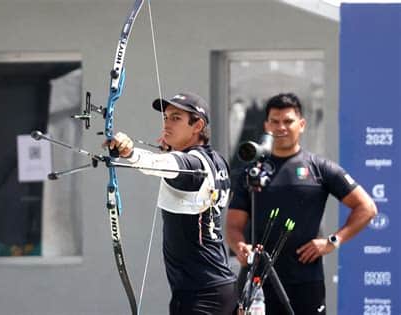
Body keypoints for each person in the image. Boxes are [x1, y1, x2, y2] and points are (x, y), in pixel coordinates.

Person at [225, 93, 377, 315]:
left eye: (288, 121)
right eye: (275, 122)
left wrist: (332, 241)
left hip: (305, 282)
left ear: (302, 124)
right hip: (257, 282)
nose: (281, 127)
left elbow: (367, 208)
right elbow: (233, 225)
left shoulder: (319, 168)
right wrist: (240, 247)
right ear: (266, 125)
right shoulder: (252, 172)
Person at [109, 92, 238, 315]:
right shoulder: (216, 160)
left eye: (176, 118)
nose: (167, 124)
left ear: (197, 125)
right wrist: (174, 150)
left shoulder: (190, 164)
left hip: (201, 295)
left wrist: (129, 152)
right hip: (216, 288)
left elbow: (161, 164)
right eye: (166, 117)